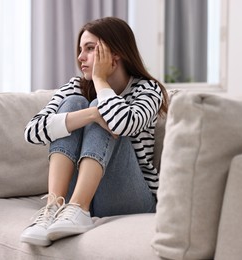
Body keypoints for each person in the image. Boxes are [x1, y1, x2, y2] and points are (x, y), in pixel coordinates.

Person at [20, 16, 169, 246]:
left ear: (115, 53)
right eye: (80, 50)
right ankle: (53, 207)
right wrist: (91, 115)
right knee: (74, 105)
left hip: (129, 197)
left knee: (100, 106)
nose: (80, 58)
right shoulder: (75, 86)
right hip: (73, 197)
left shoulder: (148, 89)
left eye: (90, 49)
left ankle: (79, 208)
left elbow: (124, 124)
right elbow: (32, 131)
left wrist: (100, 81)